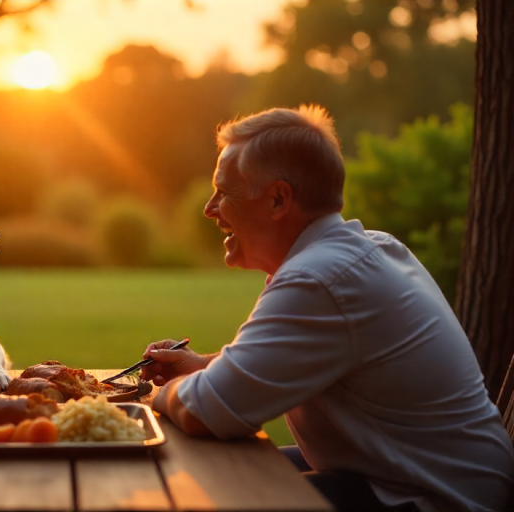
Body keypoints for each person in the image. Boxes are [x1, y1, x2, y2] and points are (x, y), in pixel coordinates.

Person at [141, 105, 514, 512]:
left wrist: (155, 396)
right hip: (419, 478)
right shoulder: (364, 251)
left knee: (198, 490)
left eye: (224, 191)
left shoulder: (321, 279)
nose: (210, 208)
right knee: (209, 469)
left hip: (440, 500)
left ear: (278, 199)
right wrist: (203, 366)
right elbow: (270, 368)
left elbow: (209, 411)